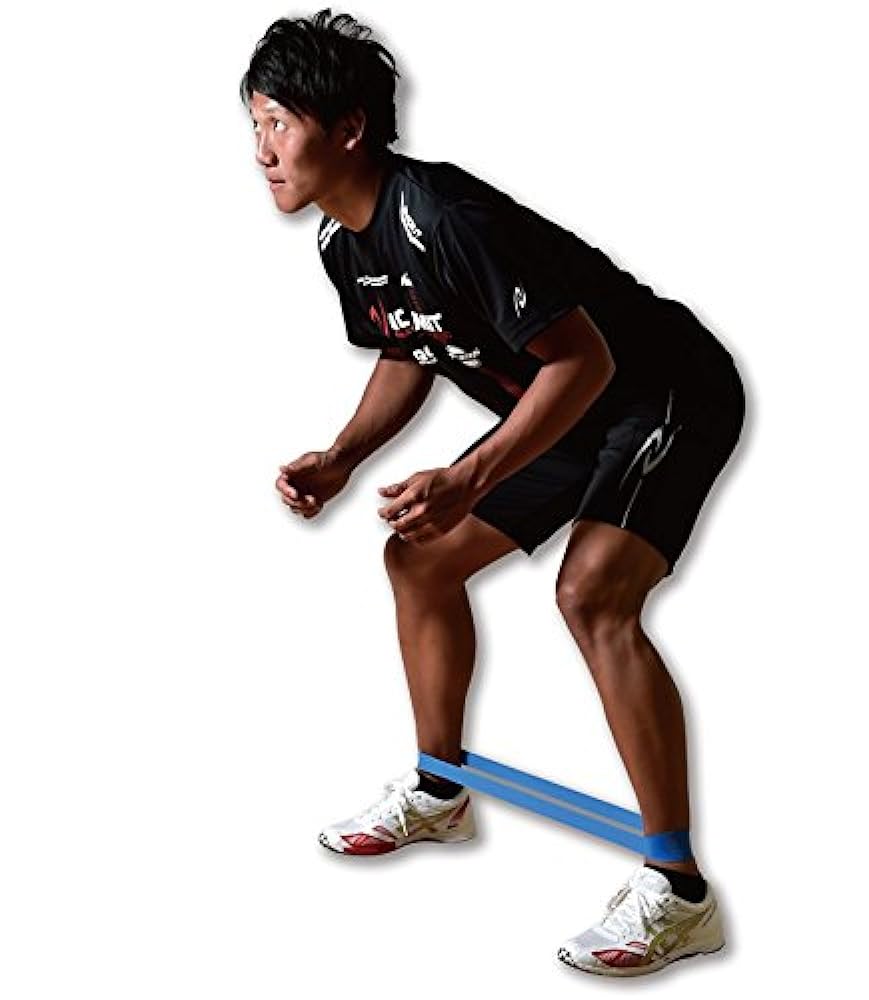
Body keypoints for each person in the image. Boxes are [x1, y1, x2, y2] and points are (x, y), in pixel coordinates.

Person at [241, 9, 745, 978]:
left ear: (348, 128)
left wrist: (470, 473)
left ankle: (679, 893)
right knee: (418, 561)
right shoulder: (344, 242)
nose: (261, 150)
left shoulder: (446, 216)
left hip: (660, 387)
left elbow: (584, 359)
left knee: (592, 595)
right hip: (567, 404)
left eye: (279, 123)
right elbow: (409, 347)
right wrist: (343, 457)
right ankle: (441, 791)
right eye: (253, 124)